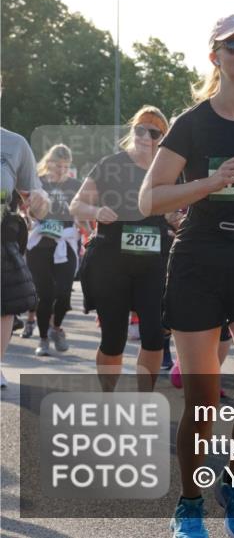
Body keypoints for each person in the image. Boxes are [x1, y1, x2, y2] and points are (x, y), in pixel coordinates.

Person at [139, 15, 234, 538]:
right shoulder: (192, 124)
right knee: (202, 401)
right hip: (199, 266)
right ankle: (189, 502)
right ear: (215, 57)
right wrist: (208, 182)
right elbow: (150, 198)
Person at [71, 106, 173, 392]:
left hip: (153, 264)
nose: (145, 137)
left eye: (153, 133)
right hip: (111, 262)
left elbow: (180, 207)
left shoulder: (169, 170)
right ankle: (107, 396)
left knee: (154, 335)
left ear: (163, 138)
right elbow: (76, 205)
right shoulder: (111, 164)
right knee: (113, 339)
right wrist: (96, 210)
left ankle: (145, 398)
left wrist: (176, 219)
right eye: (139, 129)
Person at [1, 127, 49, 388]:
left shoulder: (14, 144)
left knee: (4, 307)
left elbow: (38, 204)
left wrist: (40, 201)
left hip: (2, 239)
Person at [26, 144, 81, 356]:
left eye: (66, 166)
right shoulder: (38, 183)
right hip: (41, 244)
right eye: (58, 165)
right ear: (49, 163)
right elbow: (29, 211)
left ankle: (56, 328)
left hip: (65, 243)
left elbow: (84, 208)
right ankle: (43, 339)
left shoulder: (75, 185)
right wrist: (34, 208)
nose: (62, 170)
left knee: (64, 292)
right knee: (45, 295)